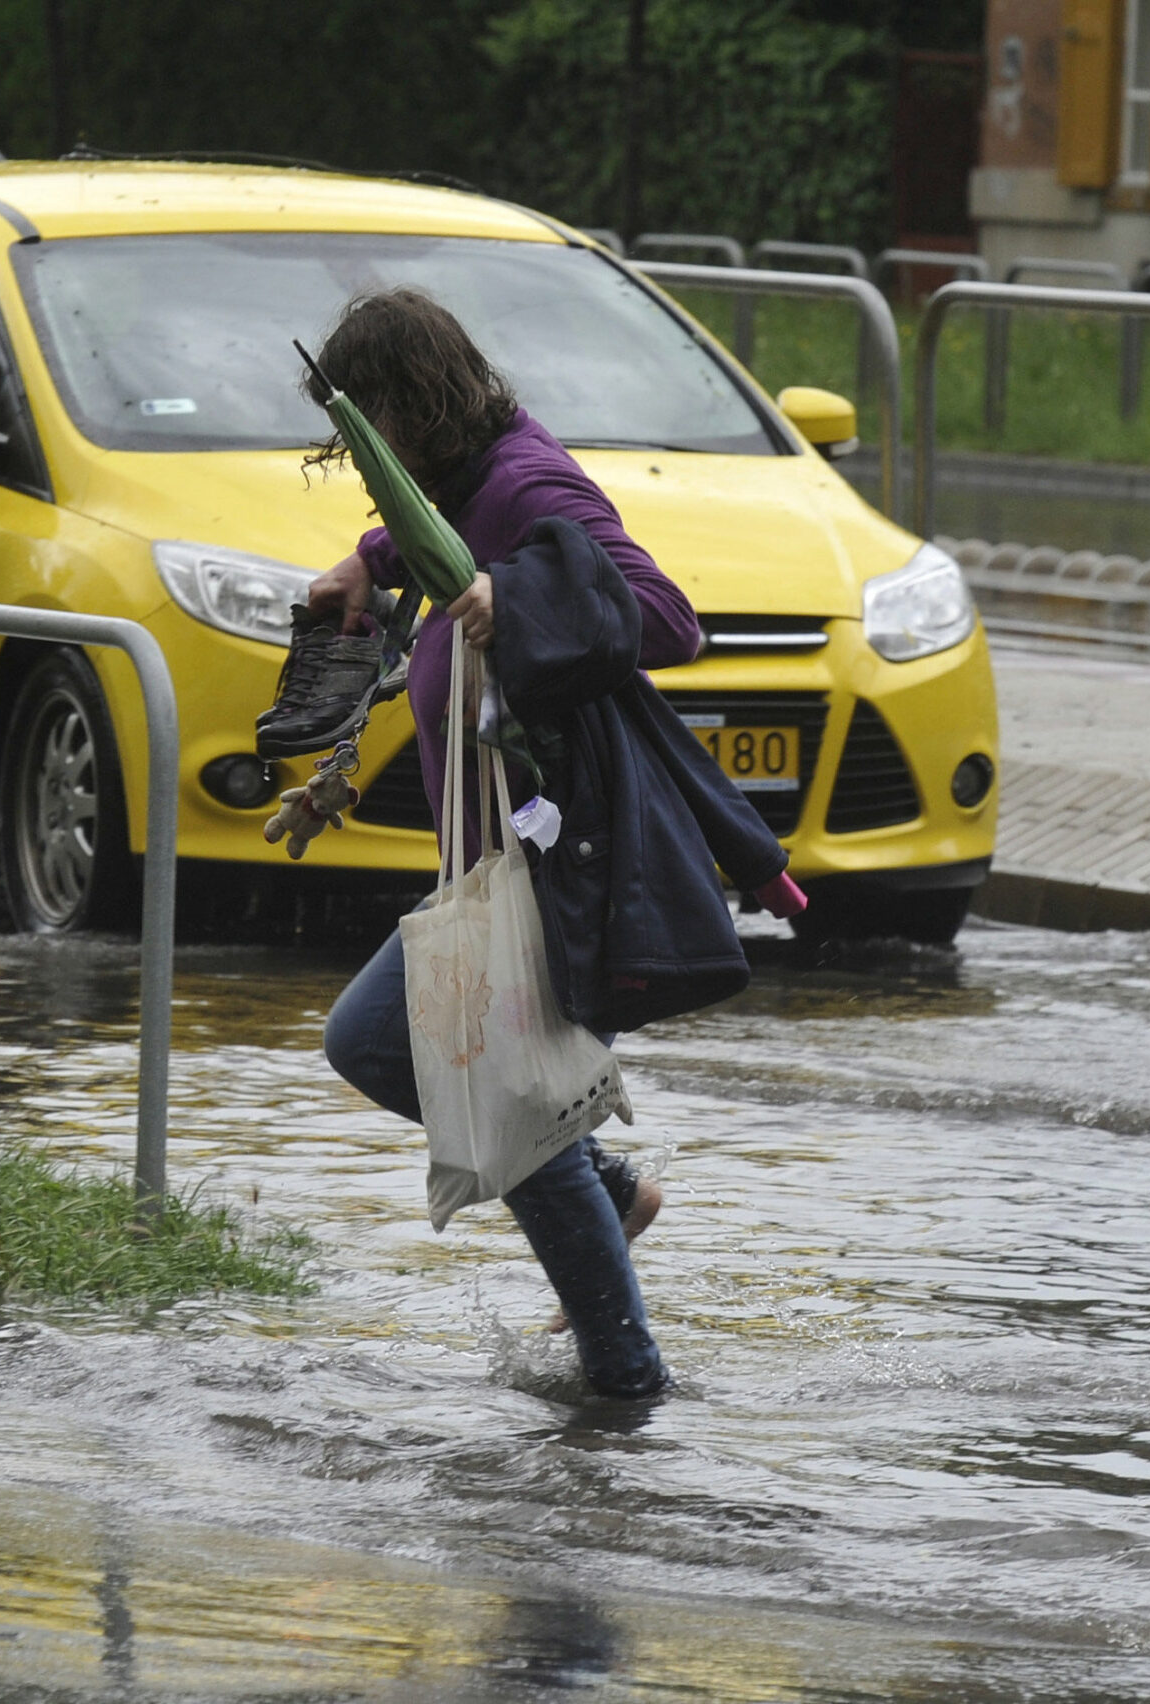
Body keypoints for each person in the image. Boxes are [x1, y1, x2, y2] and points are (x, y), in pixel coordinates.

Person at [302, 287, 801, 1400]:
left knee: (437, 1077)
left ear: (410, 409)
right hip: (491, 868)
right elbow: (444, 533)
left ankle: (626, 1383)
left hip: (544, 870)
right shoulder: (469, 482)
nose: (355, 458)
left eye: (364, 435)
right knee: (467, 1089)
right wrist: (370, 559)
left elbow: (662, 618)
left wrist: (504, 599)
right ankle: (607, 1206)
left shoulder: (528, 481)